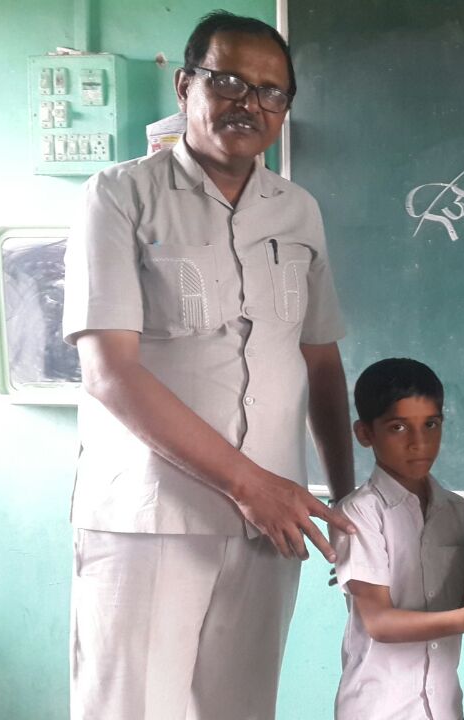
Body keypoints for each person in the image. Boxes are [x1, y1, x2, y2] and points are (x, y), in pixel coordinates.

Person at [61, 11, 357, 720]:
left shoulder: (298, 212)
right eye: (228, 82)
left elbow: (321, 361)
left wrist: (347, 502)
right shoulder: (119, 197)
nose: (248, 104)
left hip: (270, 525)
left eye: (270, 92)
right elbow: (110, 373)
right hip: (150, 518)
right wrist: (250, 485)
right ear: (185, 85)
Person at [332, 358, 464, 720]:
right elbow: (379, 622)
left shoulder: (457, 512)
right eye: (398, 427)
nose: (419, 442)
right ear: (365, 433)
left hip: (443, 708)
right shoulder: (359, 513)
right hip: (379, 709)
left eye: (431, 425)